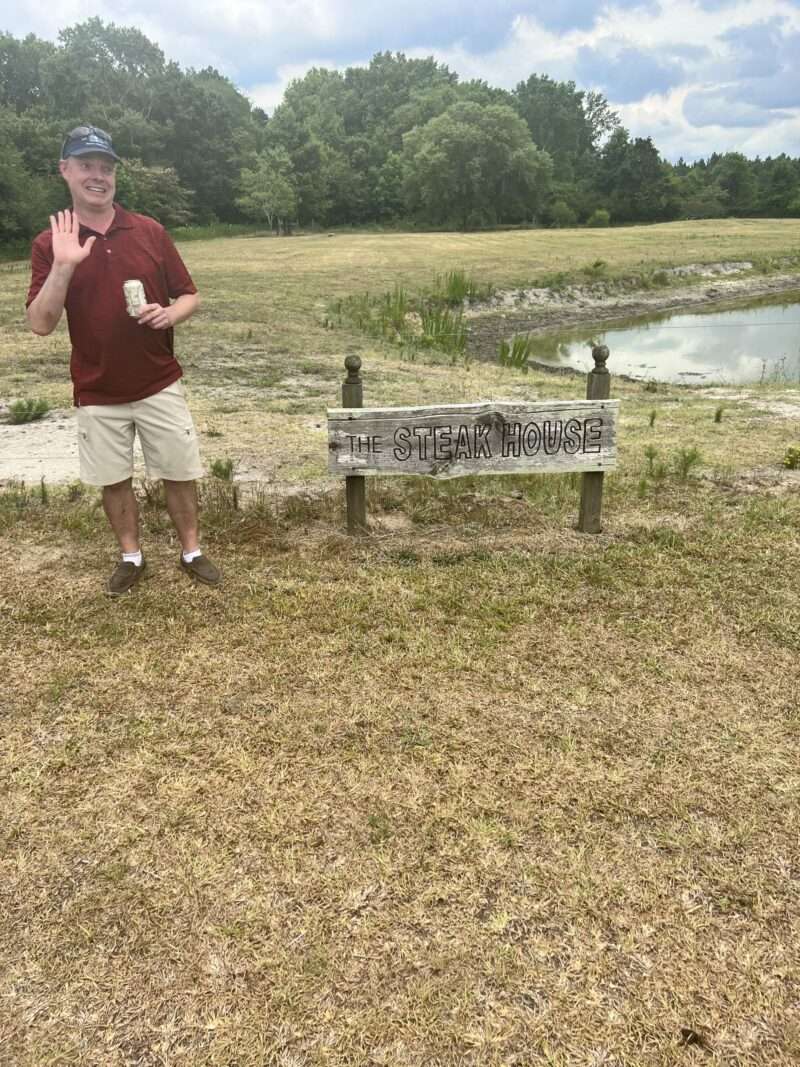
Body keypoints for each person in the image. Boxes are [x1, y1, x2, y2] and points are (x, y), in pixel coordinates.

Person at [26, 124, 220, 595]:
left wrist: (169, 313)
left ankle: (191, 550)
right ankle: (131, 557)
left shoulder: (149, 230)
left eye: (106, 167)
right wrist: (64, 266)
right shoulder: (50, 243)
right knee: (113, 479)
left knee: (180, 471)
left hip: (158, 380)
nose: (98, 175)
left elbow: (190, 295)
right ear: (65, 170)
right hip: (97, 388)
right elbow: (40, 323)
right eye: (86, 165)